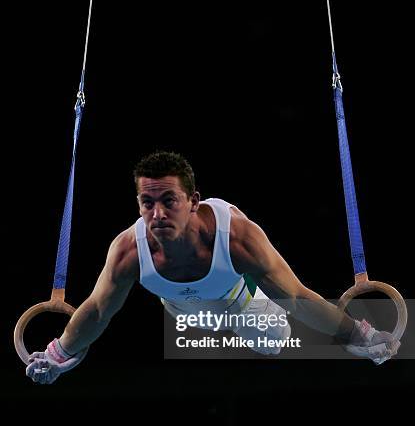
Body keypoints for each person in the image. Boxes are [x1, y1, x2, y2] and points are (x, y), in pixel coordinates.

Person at [26, 151, 400, 384]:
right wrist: (58, 353)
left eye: (169, 200)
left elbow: (298, 298)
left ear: (193, 201)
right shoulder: (128, 250)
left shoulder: (237, 239)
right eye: (146, 202)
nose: (157, 214)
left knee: (274, 340)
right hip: (180, 309)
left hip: (240, 304)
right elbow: (96, 310)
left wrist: (359, 335)